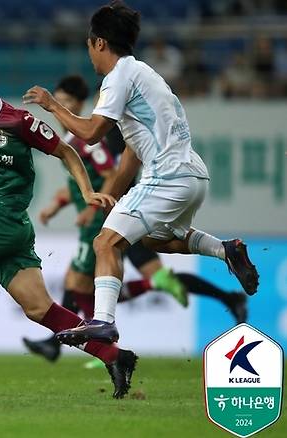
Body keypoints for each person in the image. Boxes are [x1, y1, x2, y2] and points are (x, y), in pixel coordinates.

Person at [23, 1, 259, 347]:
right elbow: (131, 155)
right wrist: (113, 197)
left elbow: (90, 133)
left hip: (167, 177)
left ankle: (103, 322)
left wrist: (52, 105)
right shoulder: (146, 74)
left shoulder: (117, 78)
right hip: (193, 176)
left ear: (99, 42)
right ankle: (228, 249)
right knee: (153, 240)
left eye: (89, 44)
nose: (89, 53)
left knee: (105, 243)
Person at [0, 42, 137, 399]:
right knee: (39, 309)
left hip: (3, 217)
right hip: (4, 224)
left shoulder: (17, 121)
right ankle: (115, 356)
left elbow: (66, 150)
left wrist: (88, 192)